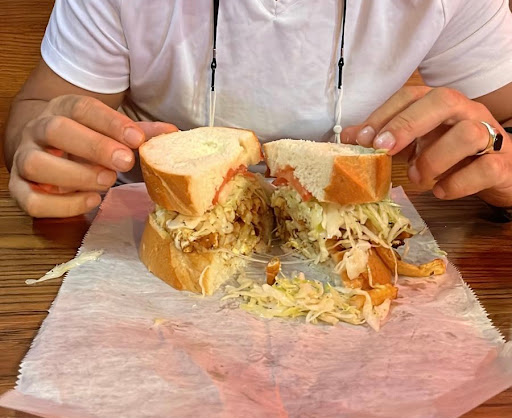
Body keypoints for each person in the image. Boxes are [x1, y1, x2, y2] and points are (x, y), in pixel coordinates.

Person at [4, 0, 512, 218]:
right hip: (139, 224)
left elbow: (502, 122)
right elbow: (37, 110)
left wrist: (500, 160)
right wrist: (40, 147)